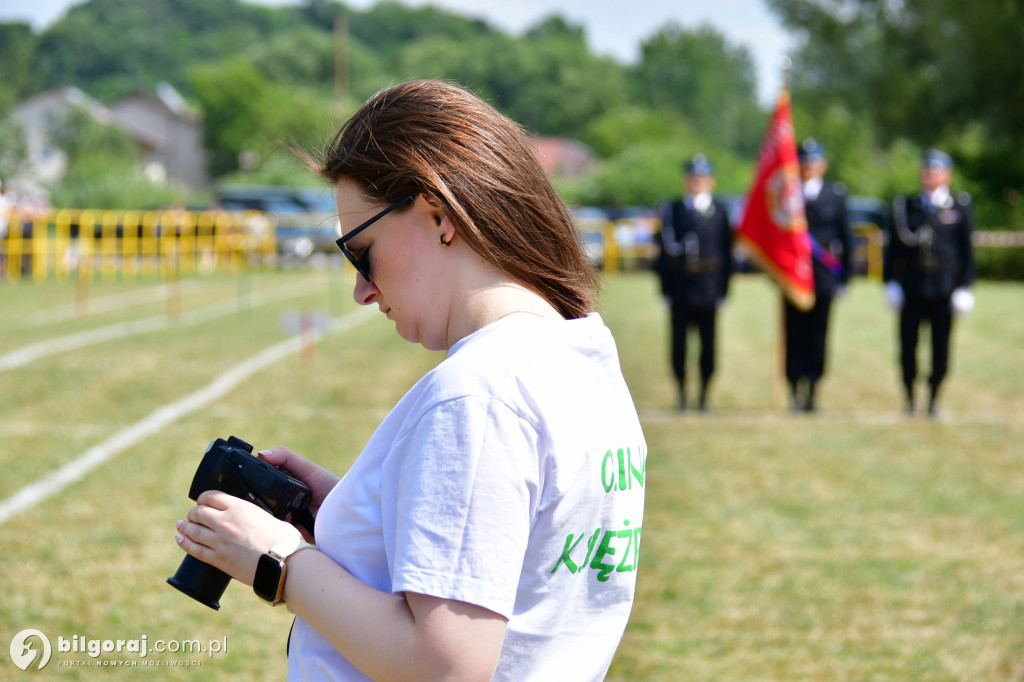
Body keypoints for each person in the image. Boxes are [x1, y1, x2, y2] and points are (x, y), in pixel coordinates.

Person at [174, 79, 647, 681]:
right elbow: (515, 555)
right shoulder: (580, 356)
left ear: (438, 216)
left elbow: (446, 666)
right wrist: (351, 511)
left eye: (360, 250)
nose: (361, 289)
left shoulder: (479, 395)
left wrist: (278, 562)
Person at [884, 148, 975, 418]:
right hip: (912, 285)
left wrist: (965, 287)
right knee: (908, 345)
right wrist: (890, 282)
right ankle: (910, 398)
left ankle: (934, 398)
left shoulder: (959, 206)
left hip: (944, 287)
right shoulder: (906, 205)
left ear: (947, 175)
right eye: (926, 170)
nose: (930, 175)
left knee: (941, 346)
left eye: (935, 170)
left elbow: (967, 252)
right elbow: (893, 251)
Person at [655, 154, 733, 411]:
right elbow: (663, 254)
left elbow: (727, 253)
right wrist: (665, 289)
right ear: (686, 180)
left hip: (709, 287)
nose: (697, 181)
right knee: (678, 345)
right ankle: (681, 394)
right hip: (680, 288)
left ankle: (703, 395)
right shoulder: (674, 209)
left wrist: (724, 289)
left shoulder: (720, 212)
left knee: (708, 345)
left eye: (702, 177)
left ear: (711, 181)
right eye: (693, 177)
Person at [784, 139, 853, 412]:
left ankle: (813, 390)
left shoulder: (835, 195)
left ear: (822, 165)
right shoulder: (787, 194)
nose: (808, 167)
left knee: (818, 335)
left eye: (813, 162)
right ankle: (793, 390)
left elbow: (847, 238)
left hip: (823, 276)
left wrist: (845, 278)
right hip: (792, 275)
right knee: (793, 333)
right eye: (804, 162)